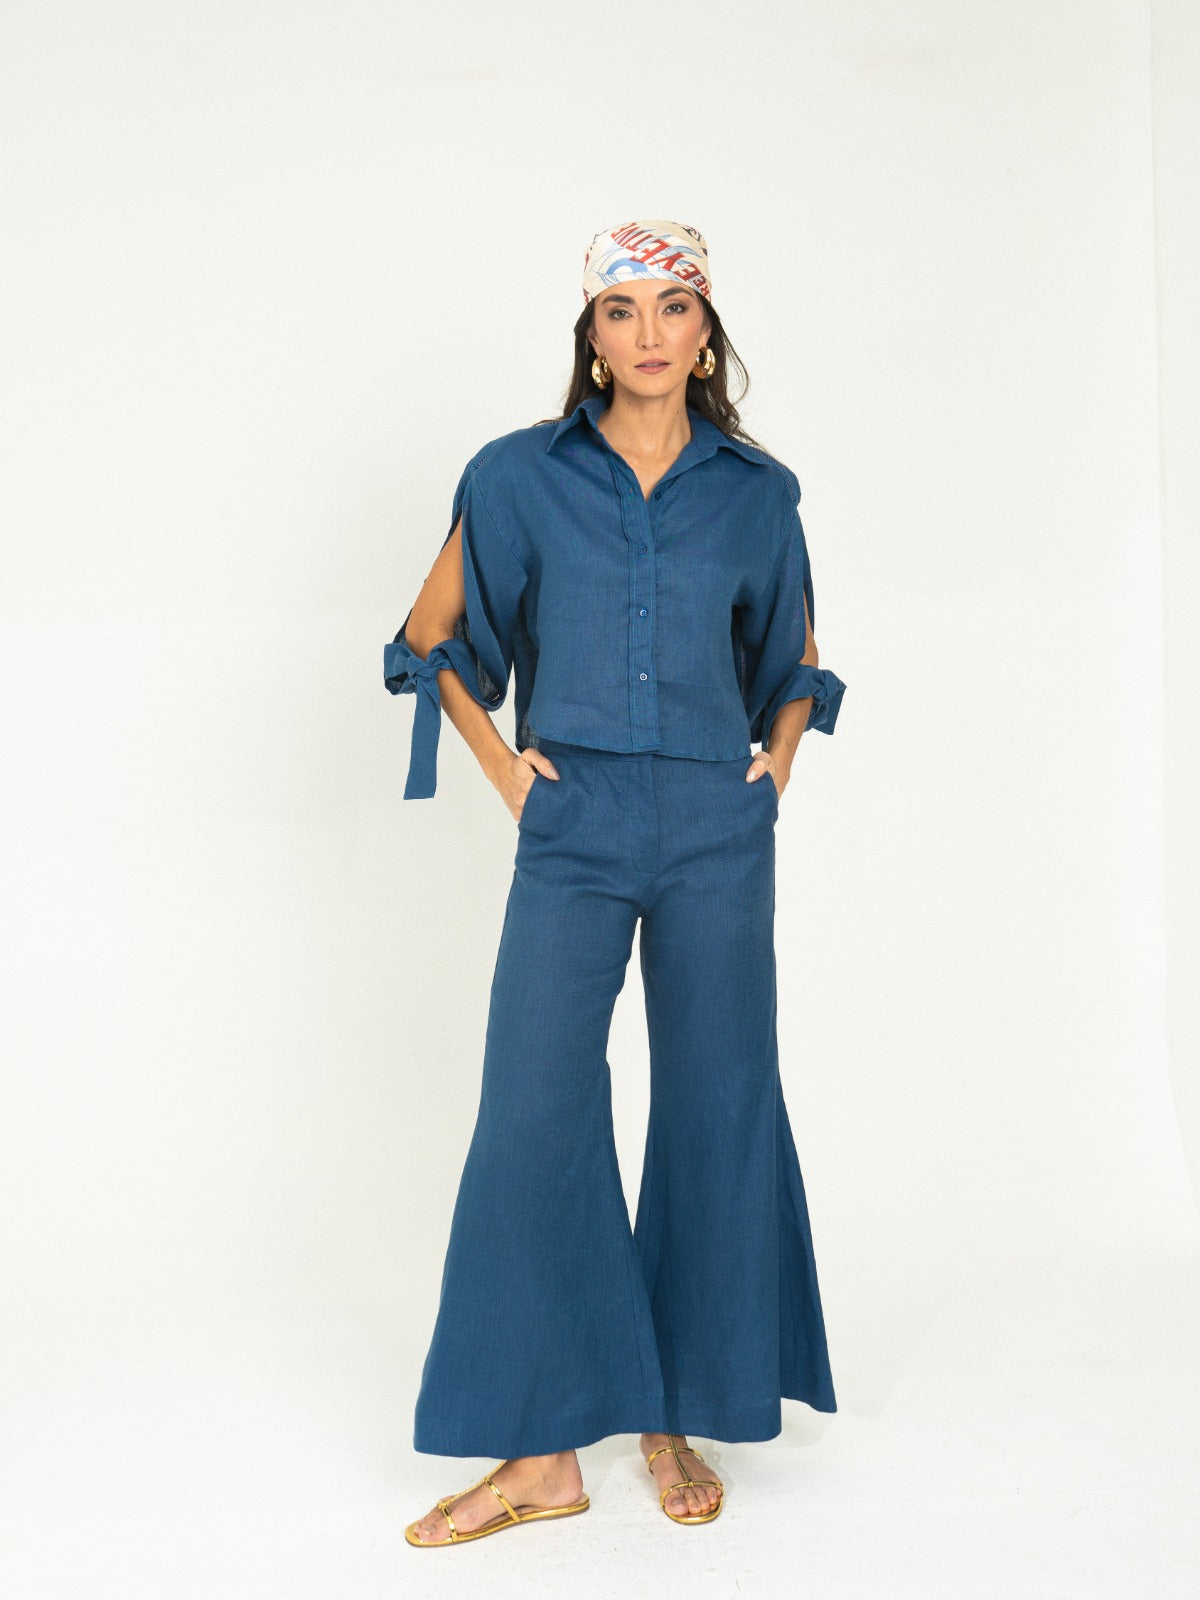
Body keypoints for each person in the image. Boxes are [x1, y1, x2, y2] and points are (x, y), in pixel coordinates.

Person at [383, 219, 848, 1547]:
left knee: (717, 1101)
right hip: (574, 817)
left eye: (674, 307)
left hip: (715, 823)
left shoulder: (759, 492)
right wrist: (510, 776)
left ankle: (674, 1410)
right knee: (534, 1105)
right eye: (622, 309)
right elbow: (428, 637)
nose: (649, 333)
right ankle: (542, 1455)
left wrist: (773, 765)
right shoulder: (516, 475)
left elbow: (794, 656)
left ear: (707, 334)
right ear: (590, 336)